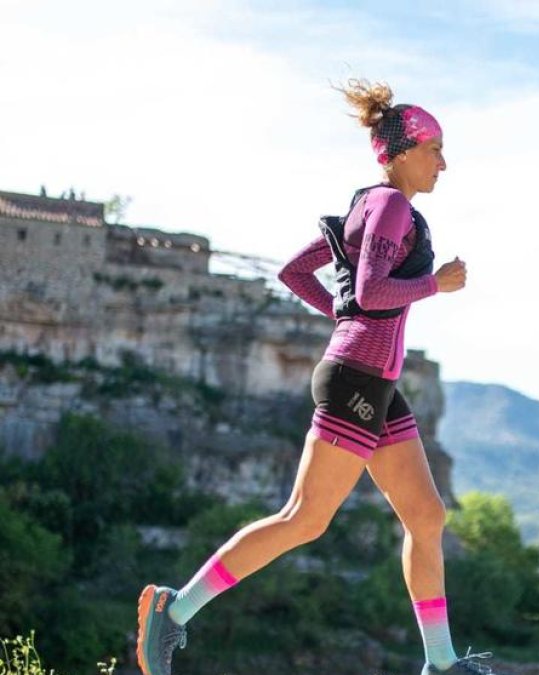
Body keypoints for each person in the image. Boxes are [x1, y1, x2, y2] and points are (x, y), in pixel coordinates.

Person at [136, 79, 496, 675]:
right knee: (304, 518)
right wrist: (436, 284)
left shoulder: (368, 209)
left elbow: (295, 271)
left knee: (426, 517)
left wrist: (344, 312)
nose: (444, 163)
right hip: (356, 377)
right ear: (404, 151)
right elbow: (375, 289)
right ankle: (173, 612)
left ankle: (441, 662)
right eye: (436, 150)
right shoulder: (389, 206)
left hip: (375, 384)